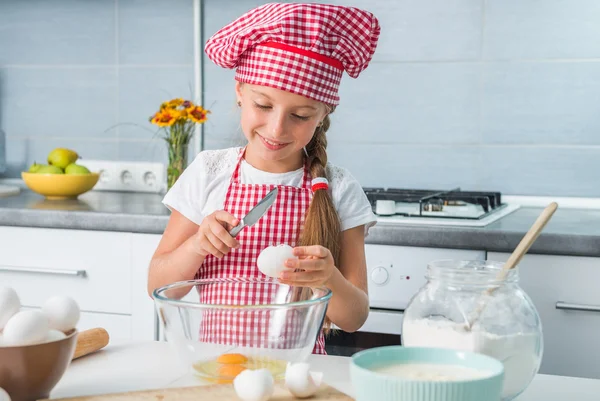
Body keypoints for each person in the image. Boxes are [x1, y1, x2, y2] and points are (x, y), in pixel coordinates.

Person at [147, 2, 381, 355]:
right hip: (218, 371)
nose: (276, 129)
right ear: (240, 91)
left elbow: (354, 318)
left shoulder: (339, 189)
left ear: (323, 114)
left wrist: (327, 277)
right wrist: (197, 245)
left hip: (299, 375)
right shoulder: (209, 172)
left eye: (300, 115)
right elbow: (158, 287)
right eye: (264, 105)